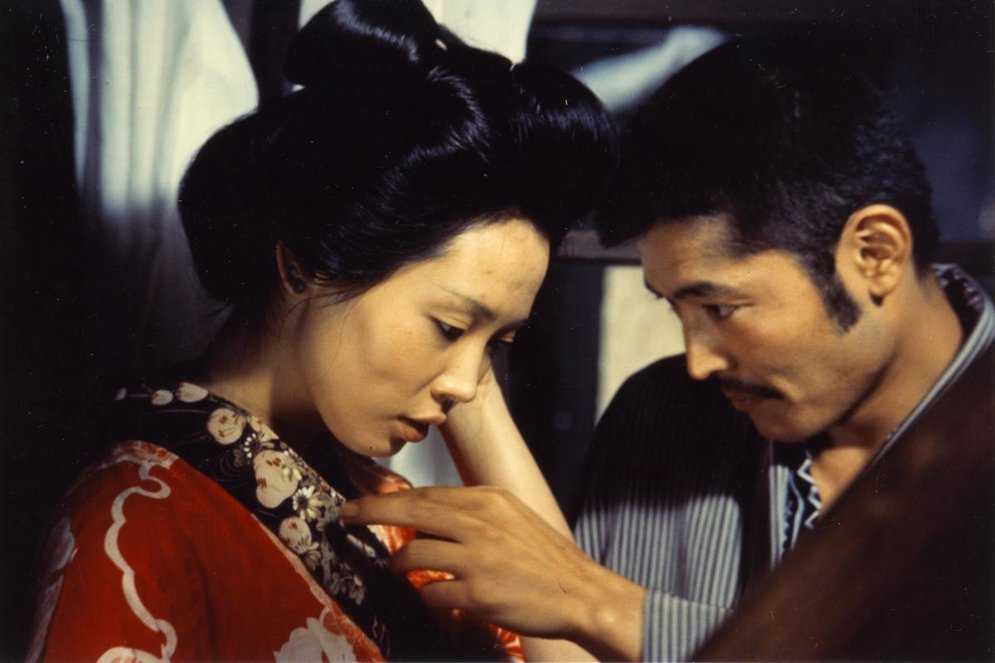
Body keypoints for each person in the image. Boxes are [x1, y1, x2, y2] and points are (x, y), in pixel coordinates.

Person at [339, 38, 995, 661]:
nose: (698, 362)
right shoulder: (660, 415)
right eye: (673, 306)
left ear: (875, 253)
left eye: (721, 308)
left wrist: (599, 604)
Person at [27, 1, 616, 660]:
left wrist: (466, 345)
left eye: (498, 344)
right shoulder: (136, 517)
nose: (467, 384)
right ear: (303, 265)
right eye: (449, 325)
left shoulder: (386, 506)